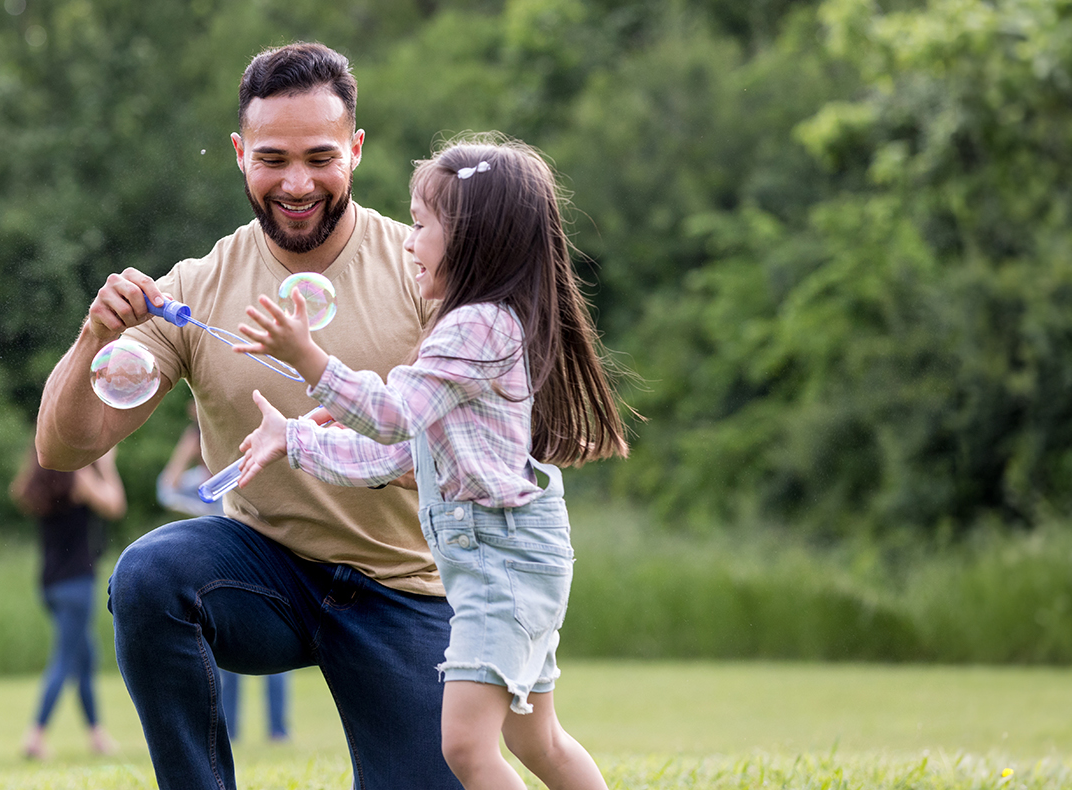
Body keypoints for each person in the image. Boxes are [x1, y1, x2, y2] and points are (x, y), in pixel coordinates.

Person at [36, 42, 459, 788]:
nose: (296, 184)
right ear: (239, 154)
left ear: (356, 151)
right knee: (149, 574)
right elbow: (64, 448)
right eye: (272, 159)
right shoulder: (197, 287)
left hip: (406, 588)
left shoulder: (422, 271)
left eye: (320, 157)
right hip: (266, 581)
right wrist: (92, 337)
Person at [231, 134, 630, 790]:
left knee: (469, 749)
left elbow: (389, 415)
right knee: (539, 740)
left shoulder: (477, 329)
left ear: (474, 240)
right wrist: (293, 440)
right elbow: (388, 451)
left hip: (502, 564)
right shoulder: (475, 329)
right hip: (504, 561)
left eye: (421, 226)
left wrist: (310, 360)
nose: (408, 243)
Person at [156, 402, 291, 744]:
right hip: (222, 575)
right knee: (229, 662)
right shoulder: (201, 485)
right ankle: (231, 731)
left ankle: (278, 731)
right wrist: (184, 451)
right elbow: (165, 489)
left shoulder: (242, 470)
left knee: (276, 661)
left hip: (263, 567)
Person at [10, 446, 126, 760]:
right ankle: (35, 735)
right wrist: (107, 466)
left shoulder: (37, 483)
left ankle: (97, 735)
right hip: (77, 583)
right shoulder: (79, 479)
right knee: (64, 658)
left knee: (85, 658)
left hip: (49, 585)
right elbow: (115, 505)